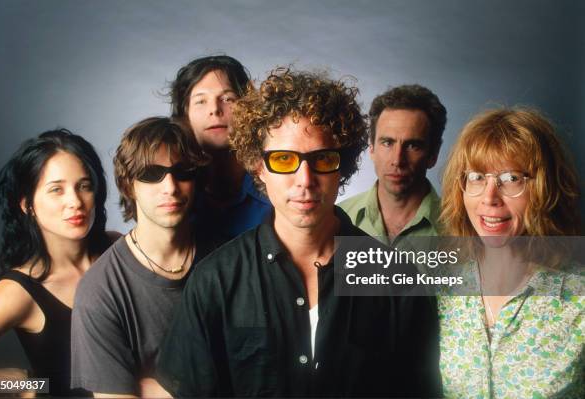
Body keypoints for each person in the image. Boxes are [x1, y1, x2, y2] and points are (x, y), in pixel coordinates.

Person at [157, 68, 442, 397]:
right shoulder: (216, 280)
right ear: (258, 166)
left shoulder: (396, 279)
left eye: (321, 159)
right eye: (283, 159)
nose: (304, 180)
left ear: (343, 165)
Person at [438, 108, 584, 398]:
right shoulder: (438, 291)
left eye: (512, 178)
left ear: (545, 188)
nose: (490, 198)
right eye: (477, 177)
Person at [70, 117, 217, 397]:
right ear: (128, 185)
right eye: (151, 174)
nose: (170, 187)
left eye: (182, 171)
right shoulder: (100, 291)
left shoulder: (229, 259)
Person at [0, 129, 112, 397]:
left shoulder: (117, 249)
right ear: (28, 205)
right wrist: (19, 382)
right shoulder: (18, 291)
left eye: (84, 186)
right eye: (56, 190)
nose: (75, 202)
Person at [170, 55, 271, 240]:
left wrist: (343, 269)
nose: (214, 110)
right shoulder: (170, 189)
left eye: (227, 98)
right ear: (185, 116)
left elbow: (336, 242)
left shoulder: (278, 180)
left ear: (248, 108)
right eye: (201, 101)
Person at [340, 84, 446, 246]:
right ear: (372, 148)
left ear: (433, 154)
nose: (397, 160)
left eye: (413, 146)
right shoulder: (337, 219)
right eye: (387, 143)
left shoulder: (460, 228)